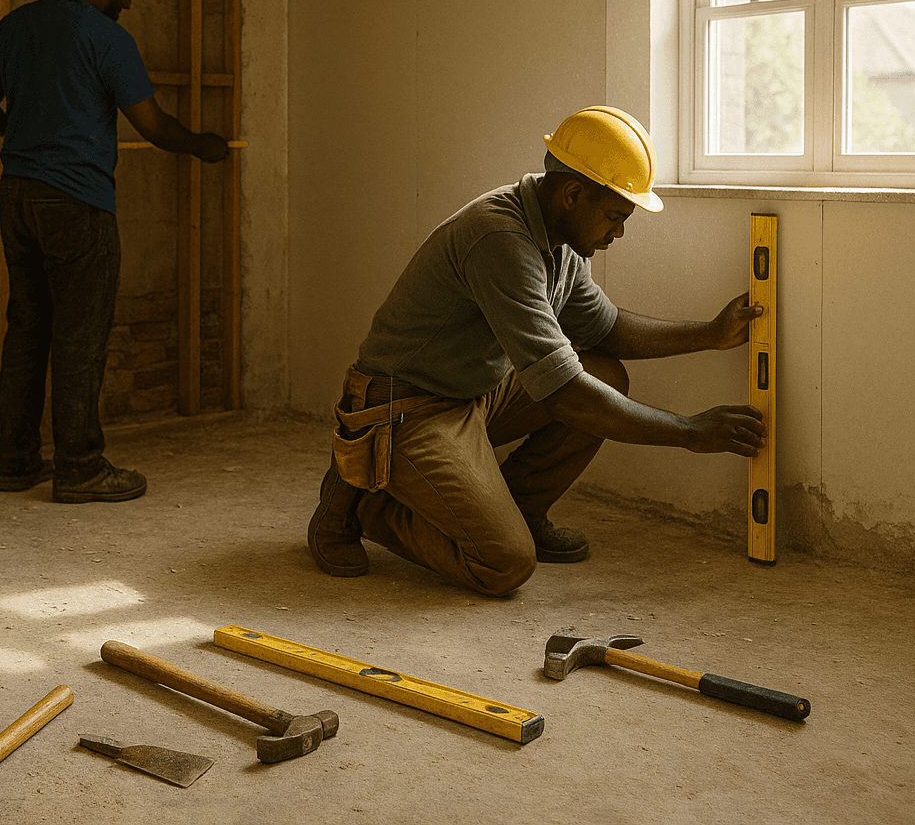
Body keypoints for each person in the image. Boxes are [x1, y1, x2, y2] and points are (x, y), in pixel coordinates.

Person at [306, 106, 767, 595]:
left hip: (474, 391)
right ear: (572, 194)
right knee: (502, 564)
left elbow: (604, 330)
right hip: (406, 406)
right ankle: (365, 502)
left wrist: (711, 334)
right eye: (614, 216)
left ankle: (522, 510)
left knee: (605, 376)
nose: (620, 232)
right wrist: (689, 431)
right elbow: (567, 395)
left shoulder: (562, 239)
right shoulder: (500, 237)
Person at [0, 0, 228, 503]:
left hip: (17, 197)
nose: (129, 1)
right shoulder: (106, 39)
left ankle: (15, 461)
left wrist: (25, 133)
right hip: (78, 205)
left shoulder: (15, 26)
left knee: (28, 328)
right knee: (80, 335)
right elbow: (153, 126)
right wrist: (202, 145)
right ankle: (79, 467)